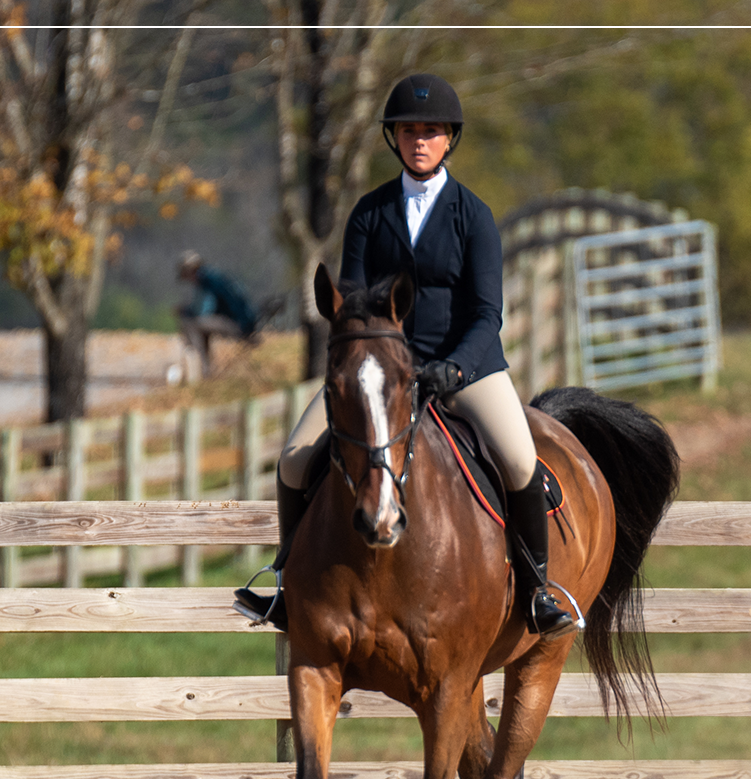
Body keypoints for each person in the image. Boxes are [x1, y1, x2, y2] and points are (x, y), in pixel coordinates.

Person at [234, 73, 578, 640]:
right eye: (410, 131)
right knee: (294, 460)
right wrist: (376, 366)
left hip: (465, 368)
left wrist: (455, 368)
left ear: (449, 140)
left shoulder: (475, 216)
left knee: (519, 461)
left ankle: (538, 590)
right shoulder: (370, 214)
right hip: (382, 377)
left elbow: (487, 312)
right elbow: (351, 304)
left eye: (432, 132)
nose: (420, 140)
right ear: (394, 138)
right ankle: (284, 586)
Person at [176, 251, 262, 383]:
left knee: (191, 324)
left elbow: (204, 312)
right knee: (198, 326)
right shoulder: (213, 277)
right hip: (241, 322)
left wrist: (186, 312)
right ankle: (204, 372)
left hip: (238, 325)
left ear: (190, 271)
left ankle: (201, 372)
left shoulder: (209, 281)